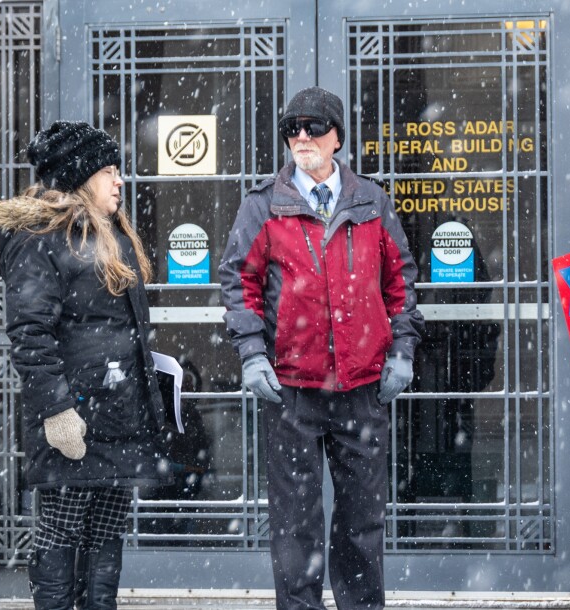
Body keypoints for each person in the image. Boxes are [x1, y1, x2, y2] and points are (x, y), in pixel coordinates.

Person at [218, 86, 424, 610]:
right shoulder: (263, 204)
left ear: (337, 138)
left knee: (361, 521)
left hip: (362, 387)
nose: (302, 137)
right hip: (292, 391)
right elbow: (238, 281)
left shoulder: (370, 200)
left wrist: (402, 347)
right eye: (292, 128)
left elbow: (400, 281)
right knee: (296, 524)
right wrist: (251, 352)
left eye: (313, 127)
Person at [0, 121, 170, 610]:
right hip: (74, 417)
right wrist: (59, 411)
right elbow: (31, 336)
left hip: (117, 414)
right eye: (109, 171)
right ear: (80, 178)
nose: (119, 180)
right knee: (62, 529)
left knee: (105, 529)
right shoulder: (39, 240)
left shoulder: (110, 235)